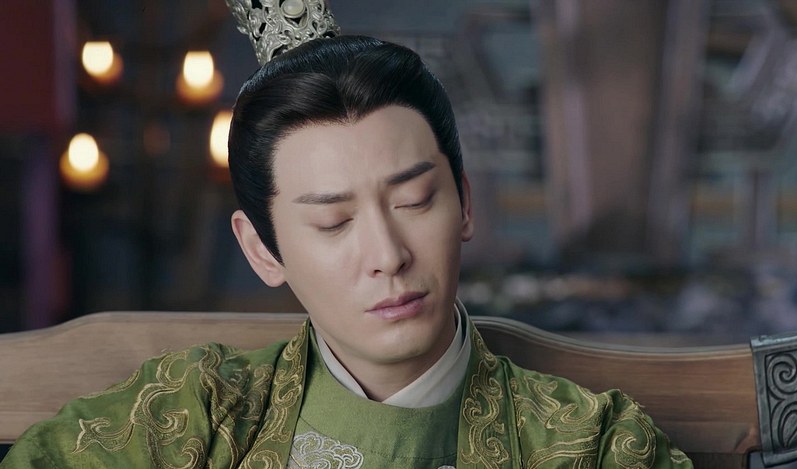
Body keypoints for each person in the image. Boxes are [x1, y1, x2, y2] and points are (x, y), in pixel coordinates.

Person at [2, 3, 693, 468]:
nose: (388, 256)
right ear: (261, 249)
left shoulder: (592, 445)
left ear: (464, 203)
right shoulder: (191, 421)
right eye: (333, 222)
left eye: (415, 200)